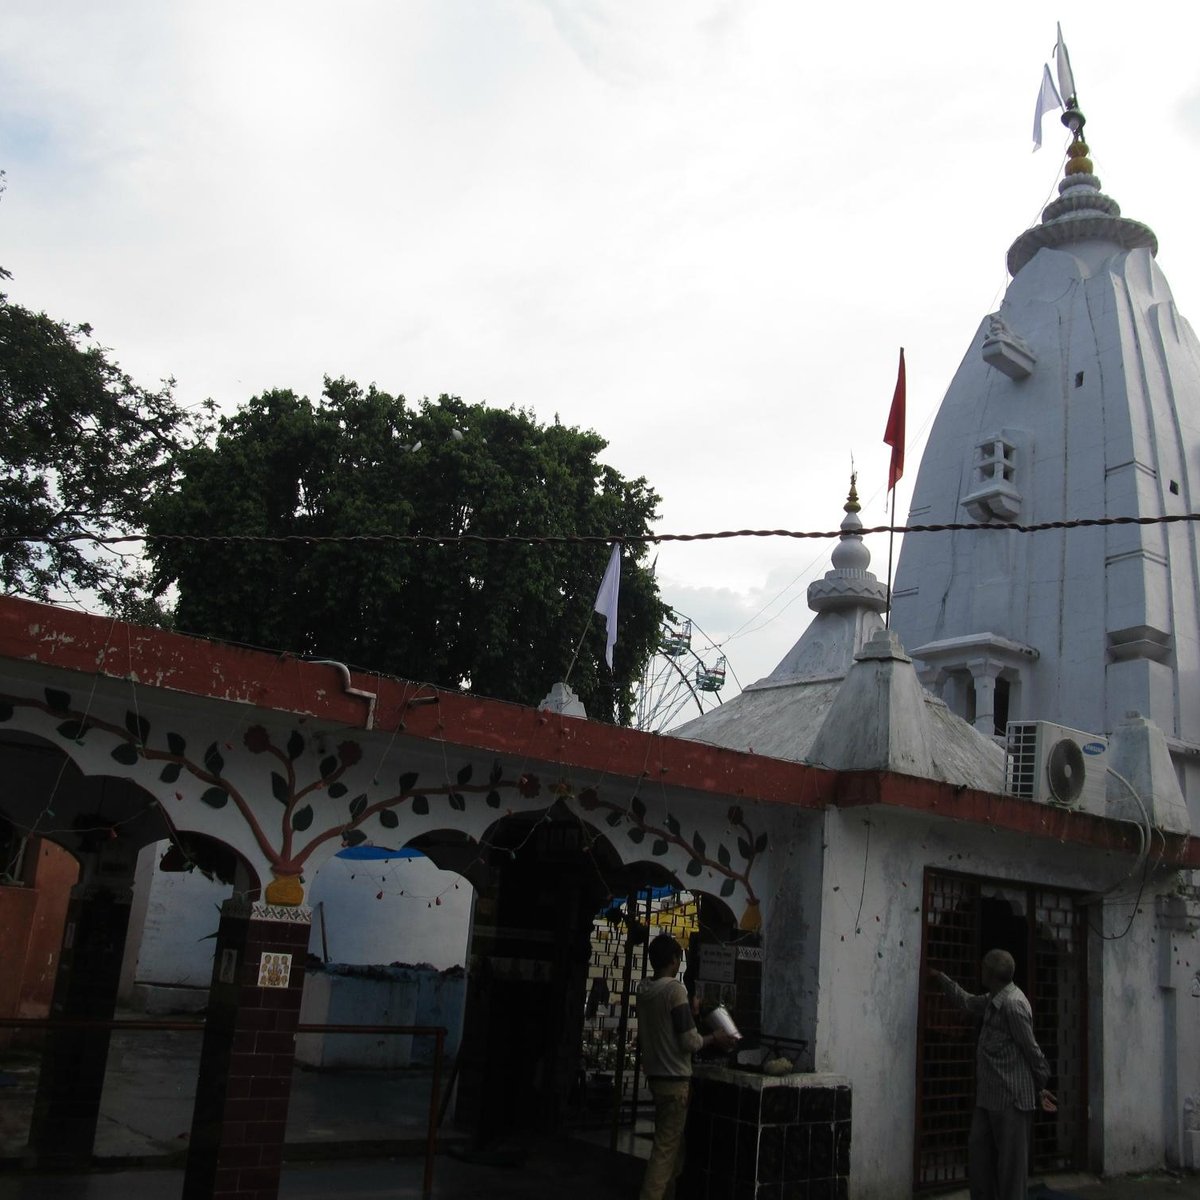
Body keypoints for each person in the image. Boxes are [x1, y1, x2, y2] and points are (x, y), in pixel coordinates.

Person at [931, 949, 1057, 1200]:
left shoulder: (1013, 1005)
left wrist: (1041, 1085)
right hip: (989, 1096)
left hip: (1011, 1098)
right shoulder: (994, 999)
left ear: (990, 973)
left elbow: (1031, 1050)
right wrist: (942, 979)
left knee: (1011, 1168)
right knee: (980, 1159)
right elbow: (967, 1002)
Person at [637, 933, 737, 1200]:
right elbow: (689, 1041)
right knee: (664, 1153)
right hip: (674, 1080)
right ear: (674, 960)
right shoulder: (674, 990)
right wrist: (716, 1037)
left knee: (673, 1151)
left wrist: (690, 1014)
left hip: (657, 1078)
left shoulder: (645, 990)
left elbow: (670, 1027)